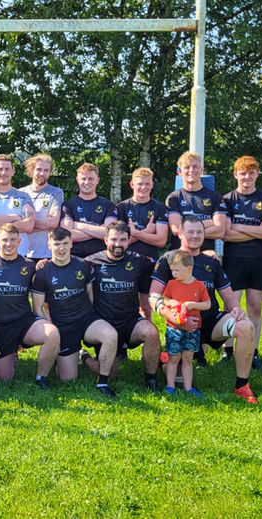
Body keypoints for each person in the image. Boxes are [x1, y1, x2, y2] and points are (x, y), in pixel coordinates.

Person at [150, 217, 259, 404]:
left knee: (246, 326)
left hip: (209, 323)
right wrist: (171, 316)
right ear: (180, 233)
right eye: (190, 232)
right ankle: (166, 358)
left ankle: (242, 386)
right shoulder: (168, 259)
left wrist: (237, 309)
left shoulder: (212, 262)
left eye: (199, 232)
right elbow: (153, 296)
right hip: (180, 326)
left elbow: (229, 297)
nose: (195, 236)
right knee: (174, 377)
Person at [0, 223, 61, 388]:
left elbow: (46, 285)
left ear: (19, 242)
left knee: (52, 333)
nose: (8, 243)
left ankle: (42, 377)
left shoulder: (30, 265)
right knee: (4, 378)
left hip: (24, 322)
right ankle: (10, 351)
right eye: (4, 240)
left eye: (12, 240)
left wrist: (44, 265)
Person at [29, 227, 119, 397]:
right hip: (63, 326)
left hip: (86, 320)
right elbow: (37, 308)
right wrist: (52, 333)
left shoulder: (83, 265)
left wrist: (91, 317)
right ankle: (78, 356)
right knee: (67, 379)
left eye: (65, 243)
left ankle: (102, 383)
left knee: (110, 335)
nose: (61, 248)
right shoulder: (42, 272)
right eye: (56, 244)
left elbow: (90, 295)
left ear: (71, 243)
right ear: (49, 245)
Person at [83, 222, 161, 391]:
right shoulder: (91, 262)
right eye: (114, 239)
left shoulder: (138, 260)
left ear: (129, 240)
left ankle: (151, 380)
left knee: (151, 332)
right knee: (111, 375)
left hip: (129, 321)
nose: (118, 244)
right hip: (103, 325)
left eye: (123, 240)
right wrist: (43, 263)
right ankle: (85, 358)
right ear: (105, 240)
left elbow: (166, 262)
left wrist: (200, 254)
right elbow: (66, 266)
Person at [221, 156, 262, 369]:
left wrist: (239, 227)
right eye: (242, 173)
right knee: (230, 307)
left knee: (255, 307)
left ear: (257, 175)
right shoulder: (226, 200)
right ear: (235, 174)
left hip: (258, 260)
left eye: (251, 173)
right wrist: (257, 231)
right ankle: (227, 350)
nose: (247, 177)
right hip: (233, 259)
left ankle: (252, 351)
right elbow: (225, 233)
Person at [116, 167, 168, 320]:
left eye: (147, 184)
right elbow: (120, 243)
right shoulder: (122, 208)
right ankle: (125, 339)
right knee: (124, 304)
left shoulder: (159, 207)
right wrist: (147, 231)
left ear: (152, 185)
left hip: (149, 261)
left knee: (146, 305)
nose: (143, 187)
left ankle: (148, 339)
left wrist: (136, 233)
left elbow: (161, 240)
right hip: (125, 262)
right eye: (140, 184)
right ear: (132, 185)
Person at [159, 251, 211, 397]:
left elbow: (207, 304)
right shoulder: (171, 284)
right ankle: (170, 386)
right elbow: (165, 299)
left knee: (188, 358)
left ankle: (188, 387)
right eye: (172, 270)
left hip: (193, 329)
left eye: (177, 270)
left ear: (189, 269)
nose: (174, 273)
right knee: (173, 357)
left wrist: (192, 305)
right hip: (174, 328)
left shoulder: (199, 286)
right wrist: (171, 302)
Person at [166, 151, 227, 252]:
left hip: (206, 255)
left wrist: (188, 231)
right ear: (179, 172)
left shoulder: (215, 197)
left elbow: (220, 231)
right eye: (187, 167)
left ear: (201, 170)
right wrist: (208, 223)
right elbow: (176, 229)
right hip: (180, 257)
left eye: (195, 166)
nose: (191, 170)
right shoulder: (174, 198)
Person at [61, 163, 117, 258]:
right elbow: (67, 236)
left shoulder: (108, 205)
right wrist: (99, 229)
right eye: (83, 179)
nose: (87, 182)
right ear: (78, 180)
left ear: (97, 180)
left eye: (91, 179)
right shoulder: (68, 205)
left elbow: (110, 234)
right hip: (74, 258)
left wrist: (78, 225)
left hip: (102, 258)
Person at [20, 153, 64, 261]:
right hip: (22, 253)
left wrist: (27, 224)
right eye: (39, 169)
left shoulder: (56, 193)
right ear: (31, 171)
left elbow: (53, 222)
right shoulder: (20, 194)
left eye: (46, 170)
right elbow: (14, 225)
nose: (42, 173)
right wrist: (42, 223)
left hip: (47, 254)